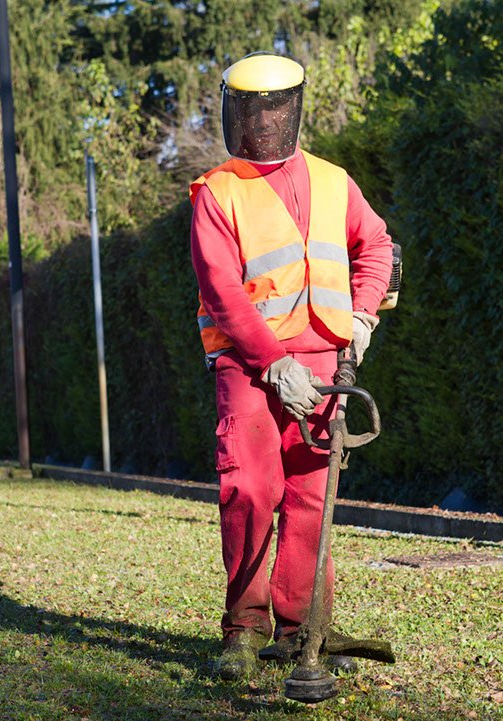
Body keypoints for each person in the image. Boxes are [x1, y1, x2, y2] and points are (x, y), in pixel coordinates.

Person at [189, 52, 392, 680]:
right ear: (232, 111)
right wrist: (275, 363)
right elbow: (221, 288)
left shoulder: (335, 182)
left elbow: (376, 245)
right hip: (249, 367)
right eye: (250, 108)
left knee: (312, 493)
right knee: (250, 489)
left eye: (273, 106)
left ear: (294, 107)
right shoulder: (217, 192)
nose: (262, 120)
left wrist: (360, 318)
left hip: (327, 364)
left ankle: (305, 630)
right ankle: (243, 632)